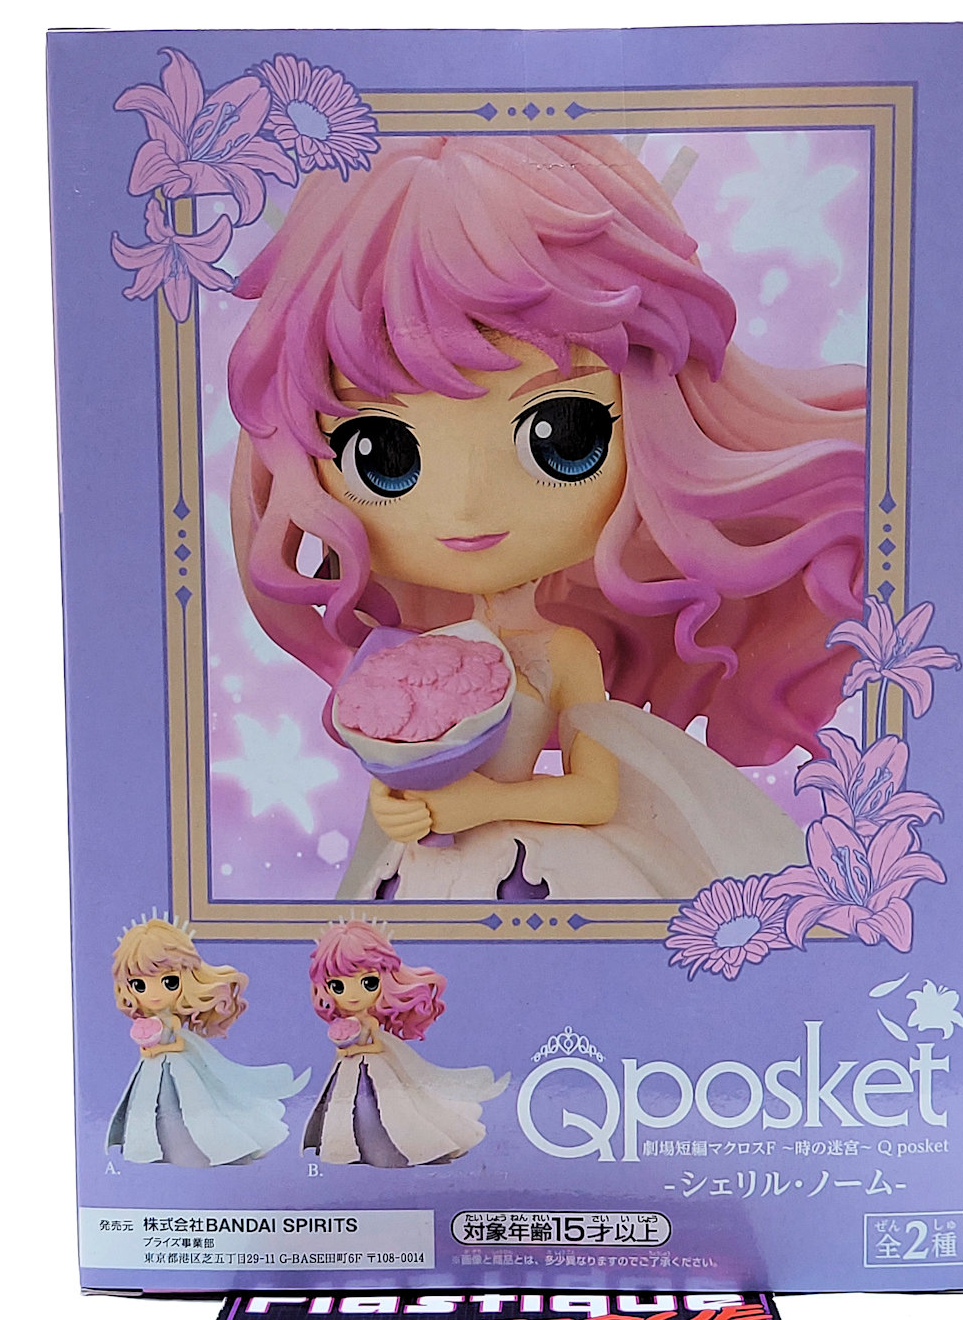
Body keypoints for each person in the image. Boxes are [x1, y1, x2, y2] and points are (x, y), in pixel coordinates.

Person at [227, 134, 866, 900]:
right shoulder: (405, 659)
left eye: (563, 436)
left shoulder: (562, 652)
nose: (467, 505)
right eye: (383, 454)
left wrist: (482, 804)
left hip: (537, 873)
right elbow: (394, 774)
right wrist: (399, 803)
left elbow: (594, 793)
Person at [303, 919, 507, 1167]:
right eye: (338, 986)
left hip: (375, 1068)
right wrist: (342, 1048)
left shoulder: (371, 1022)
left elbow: (377, 1047)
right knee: (346, 1105)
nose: (352, 995)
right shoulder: (347, 1021)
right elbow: (339, 1049)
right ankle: (346, 1145)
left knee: (385, 1107)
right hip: (347, 1071)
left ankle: (387, 1146)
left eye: (368, 983)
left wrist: (356, 1049)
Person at [107, 917, 307, 1165]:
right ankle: (153, 1145)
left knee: (188, 1103)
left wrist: (160, 1048)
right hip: (151, 1069)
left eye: (169, 982)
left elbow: (179, 1045)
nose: (154, 994)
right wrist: (147, 1049)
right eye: (139, 984)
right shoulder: (149, 1020)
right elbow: (145, 1046)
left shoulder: (172, 1021)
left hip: (176, 1065)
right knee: (148, 1103)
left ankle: (190, 1146)